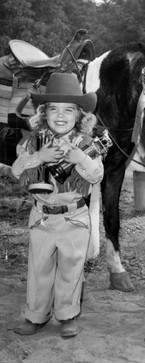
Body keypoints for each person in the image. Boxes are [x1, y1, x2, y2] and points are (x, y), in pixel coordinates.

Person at [11, 72, 104, 338]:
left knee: (71, 269)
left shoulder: (87, 145)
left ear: (79, 116)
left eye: (69, 110)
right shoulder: (32, 142)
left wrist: (80, 160)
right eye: (54, 110)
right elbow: (17, 171)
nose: (60, 116)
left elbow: (96, 176)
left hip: (74, 218)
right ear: (43, 113)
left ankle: (67, 315)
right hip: (41, 217)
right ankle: (36, 315)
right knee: (39, 269)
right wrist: (38, 157)